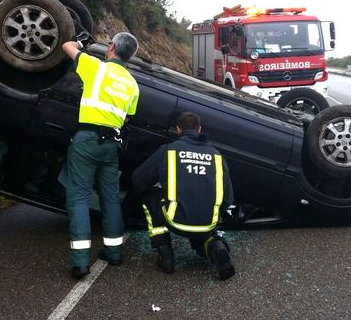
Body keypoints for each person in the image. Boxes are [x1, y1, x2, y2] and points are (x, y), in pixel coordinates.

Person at [61, 32, 140, 280]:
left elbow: (67, 46)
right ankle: (114, 252)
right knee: (110, 198)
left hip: (87, 140)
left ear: (113, 47)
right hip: (111, 145)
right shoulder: (132, 84)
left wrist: (81, 42)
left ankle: (81, 263)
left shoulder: (95, 67)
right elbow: (126, 118)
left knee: (80, 198)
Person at [132, 112, 236, 280]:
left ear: (178, 129)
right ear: (199, 129)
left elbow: (138, 180)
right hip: (207, 222)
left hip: (175, 220)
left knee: (149, 197)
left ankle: (165, 254)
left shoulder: (168, 151)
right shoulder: (216, 155)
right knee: (204, 236)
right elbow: (228, 199)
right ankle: (215, 246)